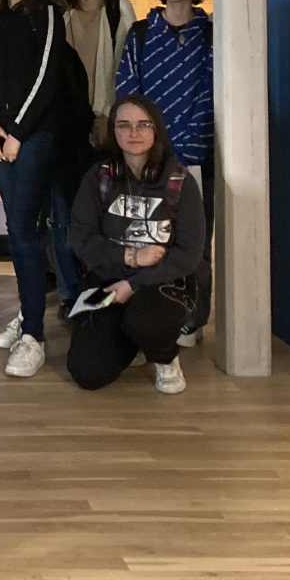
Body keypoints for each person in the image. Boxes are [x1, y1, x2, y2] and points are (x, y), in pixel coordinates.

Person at [0, 0, 88, 378]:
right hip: (0, 135)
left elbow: (46, 78)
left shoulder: (47, 11)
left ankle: (34, 336)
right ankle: (28, 314)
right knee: (20, 228)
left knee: (23, 229)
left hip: (34, 135)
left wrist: (18, 133)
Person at [66, 95, 205, 395]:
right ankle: (136, 341)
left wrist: (134, 283)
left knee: (145, 321)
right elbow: (81, 238)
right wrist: (131, 256)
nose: (134, 133)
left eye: (143, 125)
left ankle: (165, 357)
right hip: (110, 279)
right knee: (87, 372)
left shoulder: (180, 182)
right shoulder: (98, 179)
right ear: (113, 132)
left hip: (164, 281)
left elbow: (189, 254)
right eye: (124, 125)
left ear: (157, 130)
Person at [114, 0, 214, 346]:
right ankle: (149, 313)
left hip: (195, 153)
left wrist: (189, 145)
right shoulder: (141, 33)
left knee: (194, 240)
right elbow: (128, 90)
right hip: (147, 155)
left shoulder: (209, 35)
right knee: (145, 236)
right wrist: (140, 144)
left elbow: (211, 92)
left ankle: (193, 316)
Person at [55, 0, 137, 312]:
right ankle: (69, 292)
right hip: (63, 120)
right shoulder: (58, 8)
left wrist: (112, 116)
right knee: (63, 211)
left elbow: (127, 66)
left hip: (104, 120)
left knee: (104, 209)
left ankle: (104, 286)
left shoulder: (119, 8)